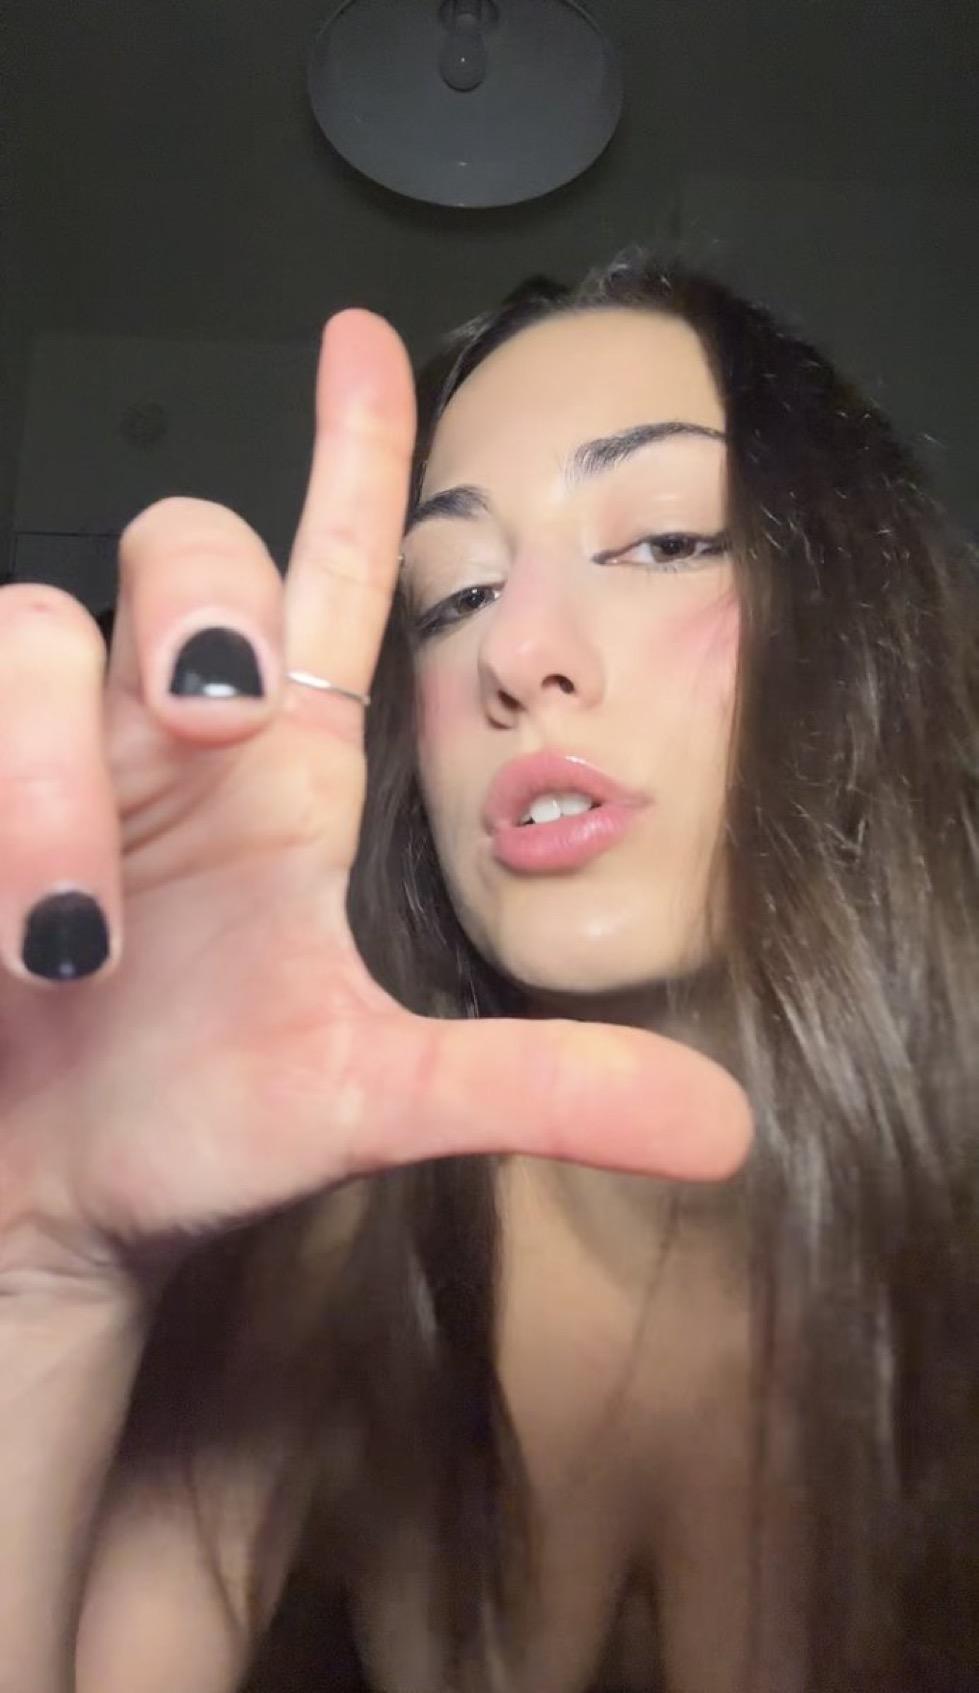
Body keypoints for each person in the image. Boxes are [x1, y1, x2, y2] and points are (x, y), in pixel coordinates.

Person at [0, 249, 974, 1693]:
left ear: (862, 628)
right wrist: (45, 1284)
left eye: (664, 541)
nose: (514, 652)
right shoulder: (324, 1281)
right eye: (450, 598)